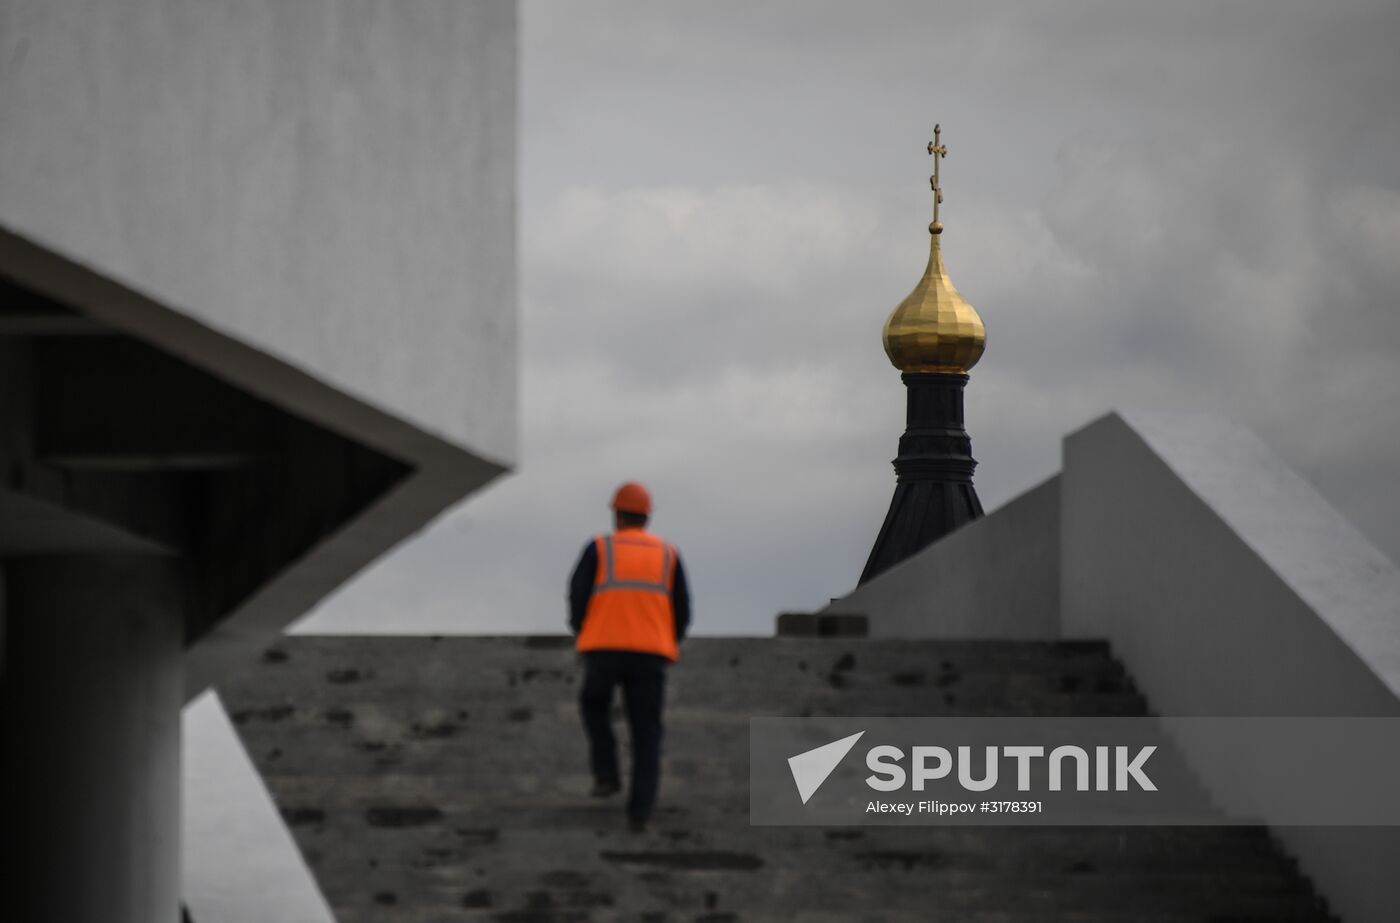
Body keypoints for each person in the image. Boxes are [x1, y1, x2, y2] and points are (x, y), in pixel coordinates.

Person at [568, 481, 690, 832]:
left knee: (593, 705)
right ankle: (640, 811)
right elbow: (682, 607)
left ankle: (606, 774)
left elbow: (578, 596)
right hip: (650, 654)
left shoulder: (599, 548)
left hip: (604, 649)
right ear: (647, 518)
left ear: (617, 515)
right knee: (646, 732)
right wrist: (670, 640)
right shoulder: (667, 554)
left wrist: (584, 633)